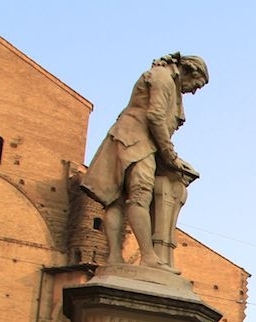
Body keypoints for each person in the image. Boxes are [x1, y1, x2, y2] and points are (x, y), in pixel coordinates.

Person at [81, 53, 209, 272]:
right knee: (139, 196)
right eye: (197, 84)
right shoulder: (163, 78)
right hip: (137, 143)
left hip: (125, 138)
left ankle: (114, 257)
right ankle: (149, 256)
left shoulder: (162, 77)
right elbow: (155, 117)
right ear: (190, 71)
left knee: (117, 199)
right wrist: (170, 155)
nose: (194, 90)